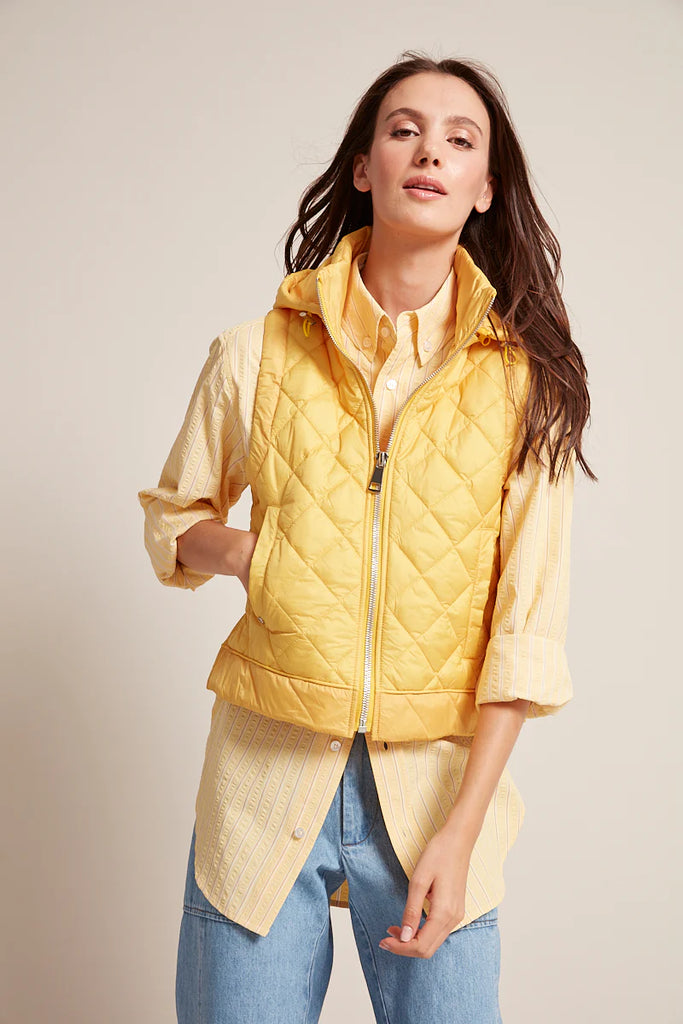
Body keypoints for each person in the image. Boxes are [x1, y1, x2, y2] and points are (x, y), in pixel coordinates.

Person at [138, 50, 595, 1024]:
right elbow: (172, 519)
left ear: (483, 188)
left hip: (434, 798)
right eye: (402, 130)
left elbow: (524, 630)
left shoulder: (523, 387)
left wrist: (461, 831)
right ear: (362, 167)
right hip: (261, 789)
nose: (428, 151)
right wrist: (253, 554)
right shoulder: (255, 353)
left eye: (458, 140)